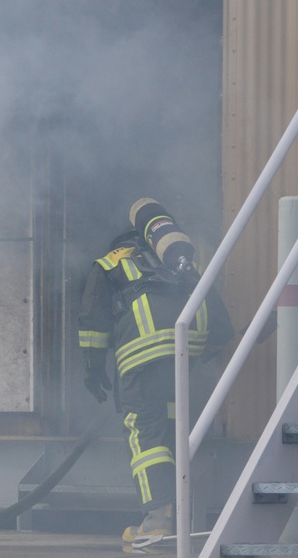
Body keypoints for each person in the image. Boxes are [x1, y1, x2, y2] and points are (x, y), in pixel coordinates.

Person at [77, 198, 234, 551]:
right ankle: (184, 515)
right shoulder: (183, 263)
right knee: (175, 429)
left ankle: (157, 518)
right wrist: (205, 353)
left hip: (142, 355)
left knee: (145, 432)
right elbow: (222, 326)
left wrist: (92, 370)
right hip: (184, 353)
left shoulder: (110, 263)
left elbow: (93, 323)